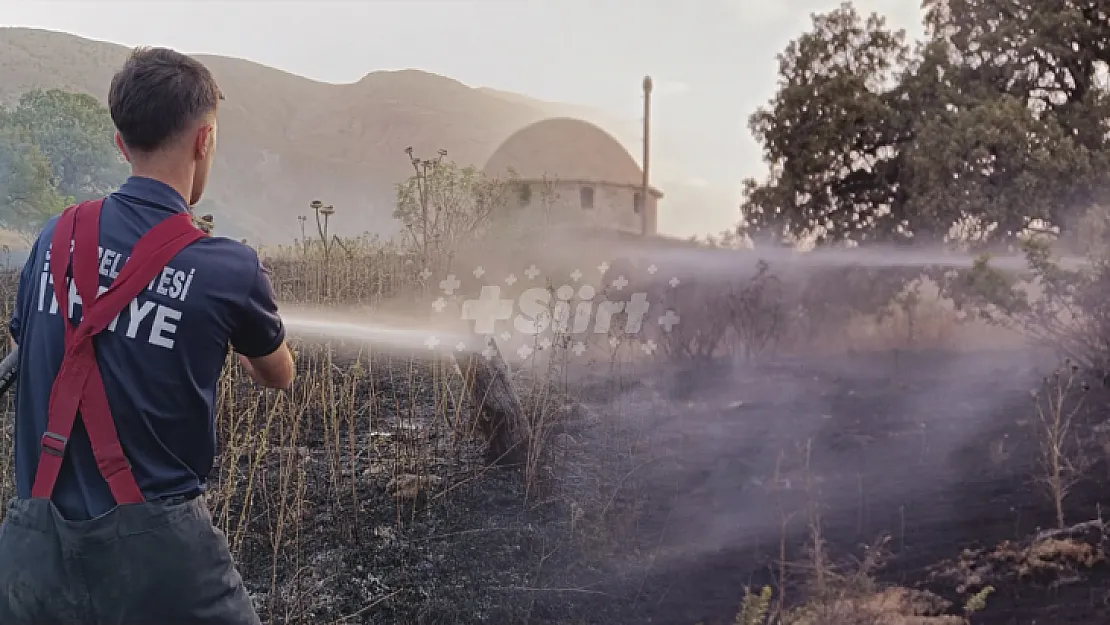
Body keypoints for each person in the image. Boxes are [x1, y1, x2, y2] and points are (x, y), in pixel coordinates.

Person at [0, 47, 295, 624]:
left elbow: (30, 344)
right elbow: (279, 373)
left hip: (30, 560)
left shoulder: (54, 237)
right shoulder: (228, 268)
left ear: (120, 141)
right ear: (204, 139)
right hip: (160, 570)